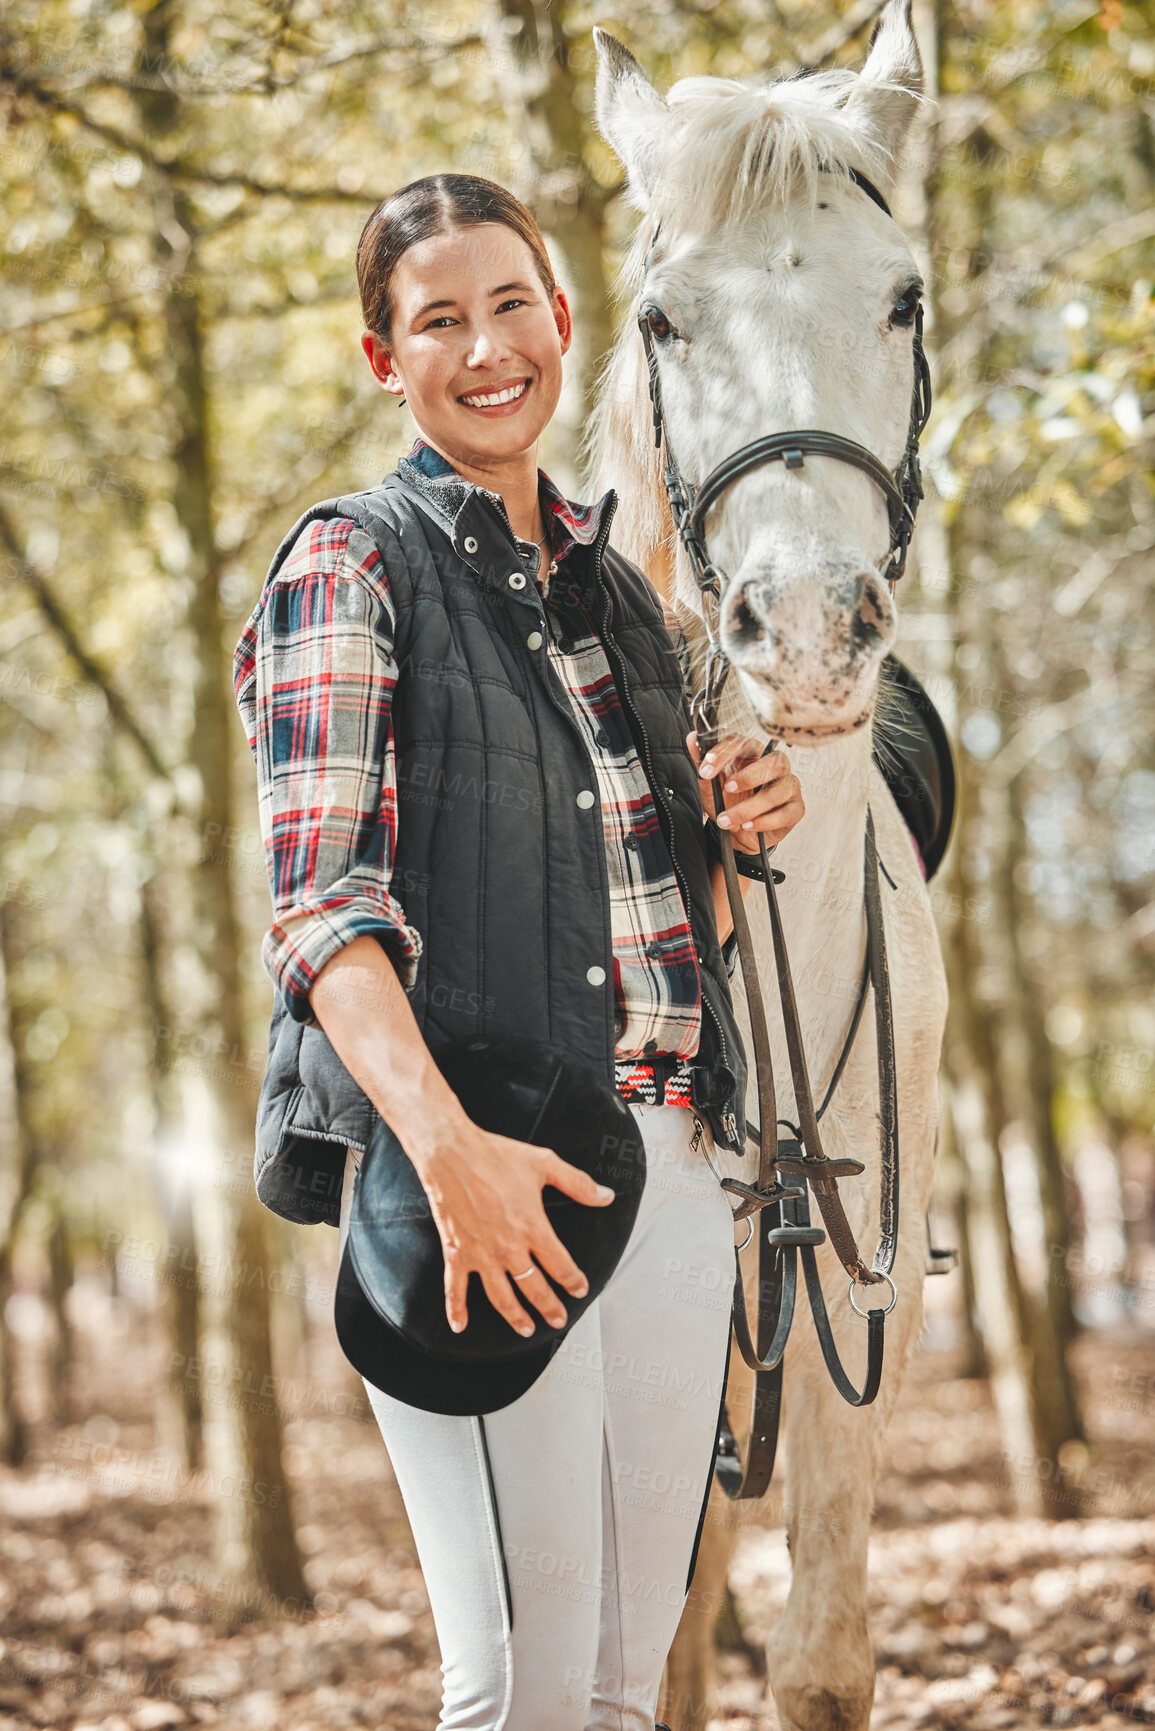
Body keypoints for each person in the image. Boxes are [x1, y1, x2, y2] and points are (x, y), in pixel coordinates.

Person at [234, 173, 804, 1731]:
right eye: (437, 321)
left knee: (627, 1684)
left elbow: (670, 930)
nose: (485, 349)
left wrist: (734, 836)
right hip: (482, 1171)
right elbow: (321, 907)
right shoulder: (350, 565)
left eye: (510, 307)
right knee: (522, 1693)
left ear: (563, 323)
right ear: (383, 359)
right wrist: (447, 1156)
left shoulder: (627, 599)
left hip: (675, 1159)